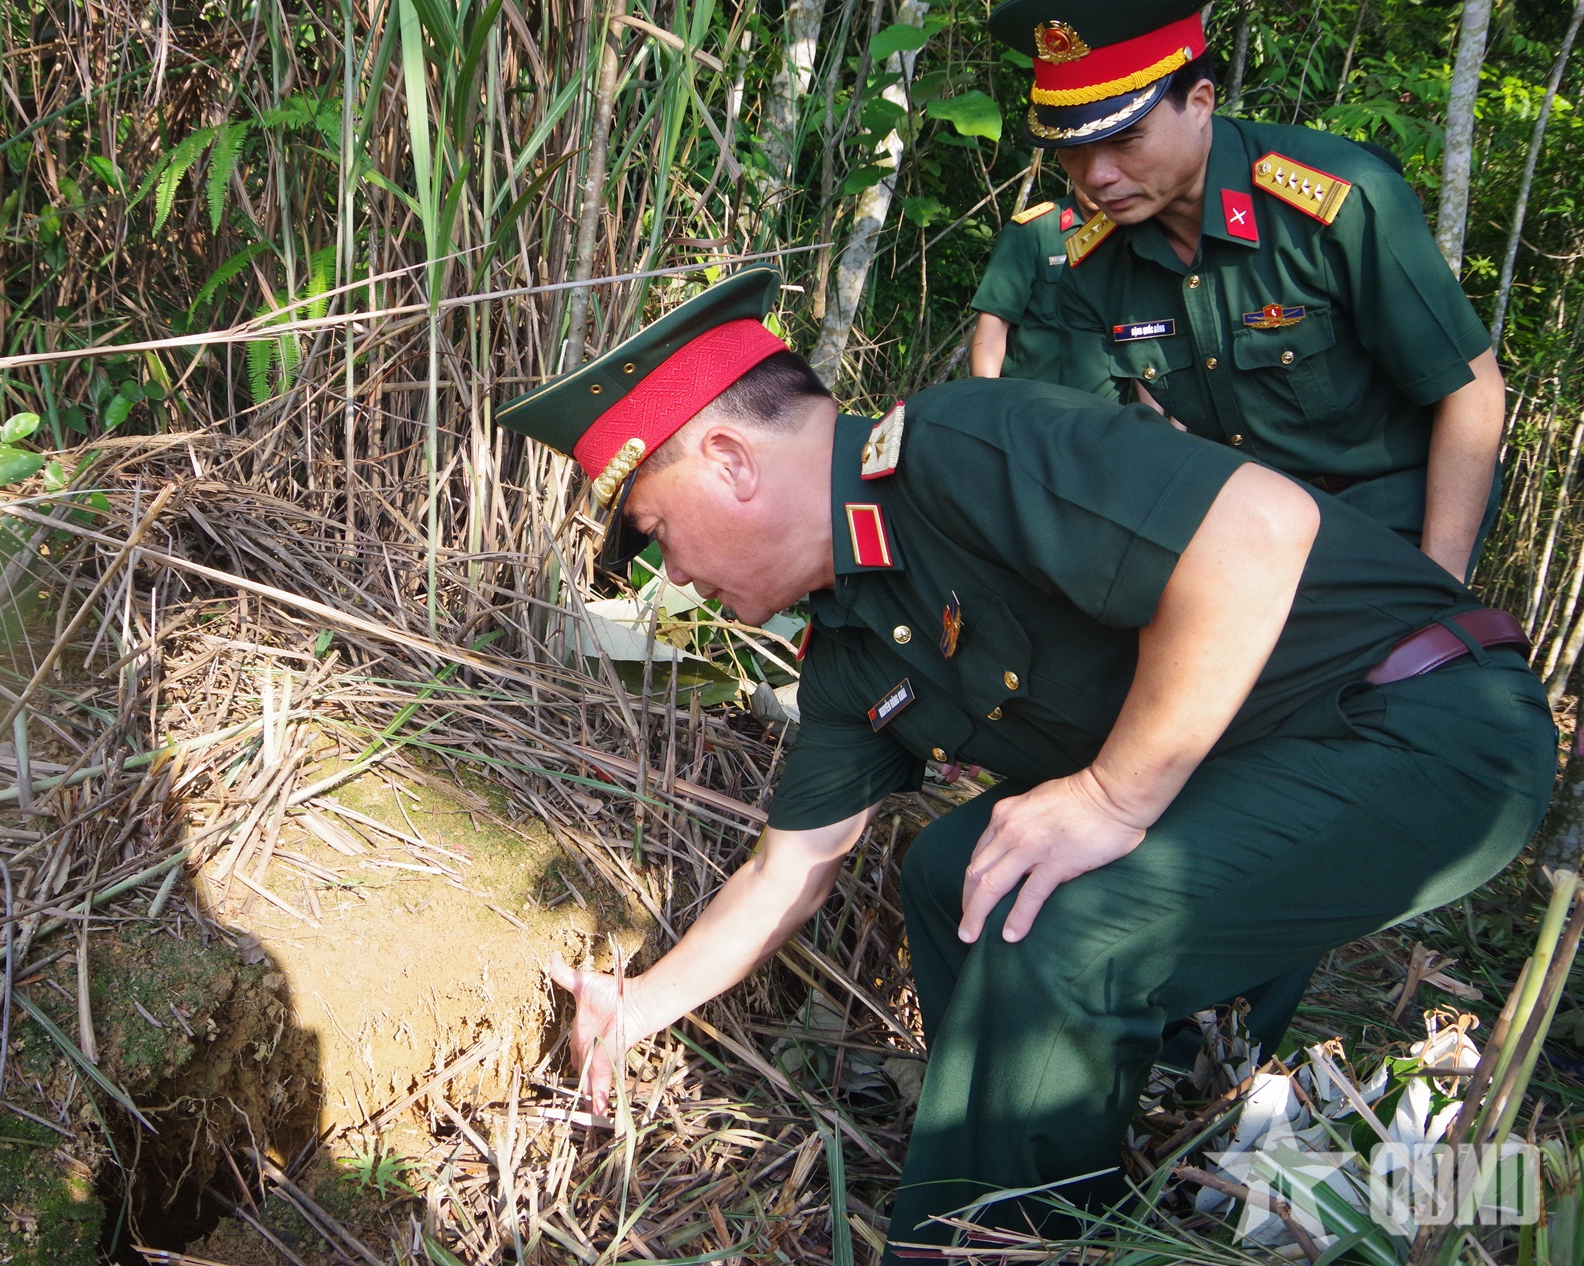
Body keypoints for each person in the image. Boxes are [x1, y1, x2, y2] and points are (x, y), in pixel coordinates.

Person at [496, 266, 1554, 1258]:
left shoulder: (964, 445)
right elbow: (791, 863)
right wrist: (636, 1007)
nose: (672, 576)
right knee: (954, 869)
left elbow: (1261, 530)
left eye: (657, 530)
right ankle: (1088, 1175)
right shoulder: (854, 637)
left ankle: (978, 1235)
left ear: (728, 461)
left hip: (1426, 723)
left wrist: (1109, 795)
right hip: (1268, 769)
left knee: (1066, 927)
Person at [987, 0, 1505, 582]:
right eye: (1073, 149)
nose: (1097, 175)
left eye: (1126, 139)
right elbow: (1119, 433)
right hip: (1234, 538)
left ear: (1201, 103)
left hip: (1384, 520)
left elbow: (1471, 389)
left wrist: (1439, 585)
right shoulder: (1094, 255)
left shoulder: (1336, 201)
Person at [969, 186, 1114, 396]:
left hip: (1107, 414)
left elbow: (1145, 334)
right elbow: (994, 325)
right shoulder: (1033, 230)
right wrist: (987, 401)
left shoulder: (1134, 231)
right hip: (1033, 404)